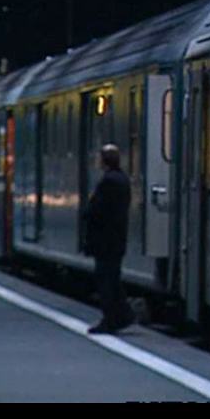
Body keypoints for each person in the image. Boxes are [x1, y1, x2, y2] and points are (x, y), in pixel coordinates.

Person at [84, 143, 135, 334]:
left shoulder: (108, 182)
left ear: (104, 161)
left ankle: (112, 318)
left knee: (106, 281)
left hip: (106, 241)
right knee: (113, 279)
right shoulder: (122, 179)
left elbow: (99, 210)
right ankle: (123, 315)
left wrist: (87, 211)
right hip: (116, 239)